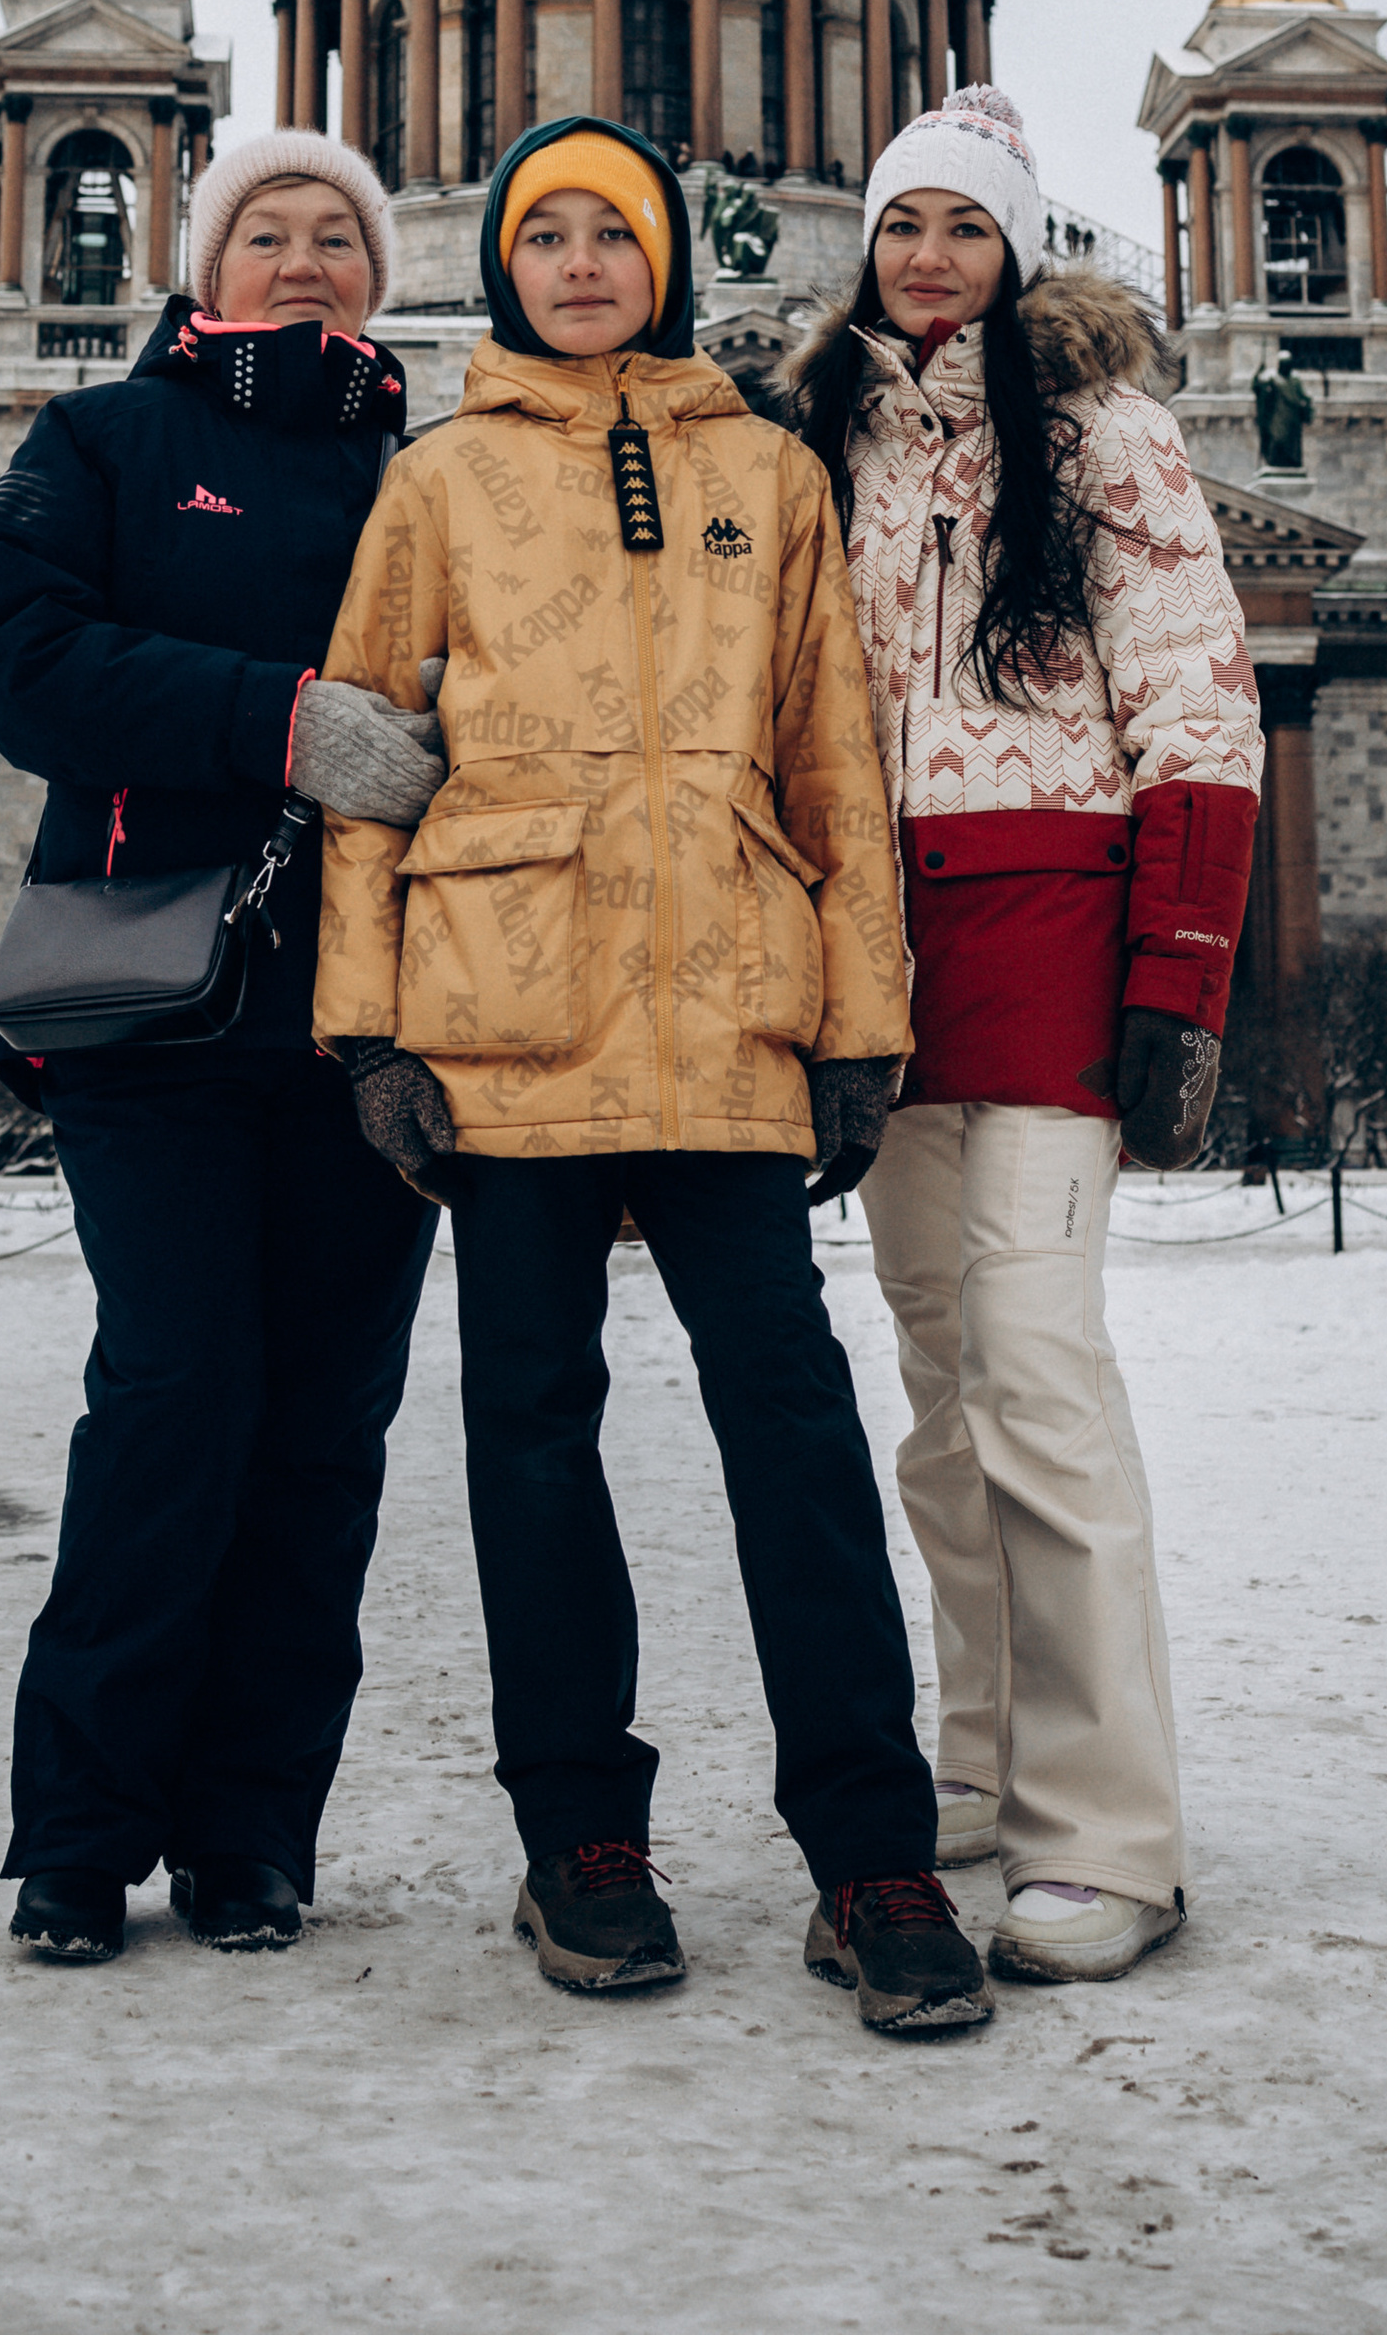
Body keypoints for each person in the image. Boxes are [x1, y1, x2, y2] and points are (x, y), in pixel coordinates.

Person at [313, 115, 992, 2038]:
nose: (584, 263)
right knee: (530, 1443)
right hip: (507, 1011)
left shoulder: (771, 474)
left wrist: (862, 1030)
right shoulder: (434, 479)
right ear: (509, 265)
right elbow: (363, 751)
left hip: (727, 1014)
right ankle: (581, 1845)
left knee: (794, 1438)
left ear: (668, 256)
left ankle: (873, 1857)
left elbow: (831, 764)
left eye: (617, 231)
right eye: (549, 234)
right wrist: (368, 1029)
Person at [791, 85, 1262, 1987]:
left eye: (965, 228)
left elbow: (1202, 702)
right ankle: (974, 1764)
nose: (927, 260)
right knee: (936, 1391)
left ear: (1021, 249)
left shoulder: (1108, 433)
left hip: (1053, 937)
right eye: (902, 226)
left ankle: (1108, 1831)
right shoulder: (817, 433)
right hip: (878, 954)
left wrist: (1182, 981)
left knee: (1042, 1378)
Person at [0, 132, 450, 1966]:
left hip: (373, 1021)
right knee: (175, 1400)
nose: (308, 256)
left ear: (380, 272)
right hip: (156, 1001)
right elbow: (28, 667)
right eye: (272, 228)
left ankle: (254, 1832)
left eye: (341, 233)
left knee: (327, 1432)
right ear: (208, 258)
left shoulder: (436, 472)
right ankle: (80, 1837)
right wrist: (282, 723)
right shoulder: (99, 442)